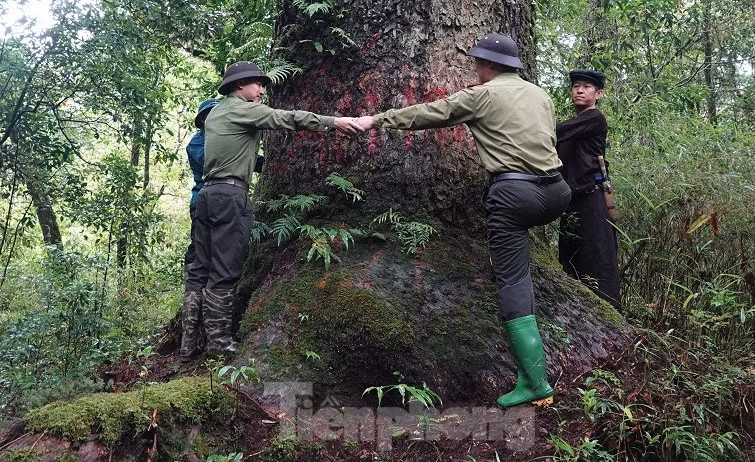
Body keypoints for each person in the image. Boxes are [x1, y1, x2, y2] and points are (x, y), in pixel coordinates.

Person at [356, 33, 571, 408]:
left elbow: (428, 113)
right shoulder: (540, 95)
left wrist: (374, 119)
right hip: (557, 192)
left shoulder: (480, 96)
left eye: (477, 62)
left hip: (514, 195)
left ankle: (536, 382)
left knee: (514, 281)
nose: (475, 67)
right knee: (520, 263)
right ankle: (533, 373)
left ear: (487, 65)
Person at [189, 61, 365, 357]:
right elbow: (287, 118)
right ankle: (218, 345)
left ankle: (188, 342)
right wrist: (335, 122)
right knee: (224, 271)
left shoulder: (216, 113)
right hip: (230, 197)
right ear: (239, 86)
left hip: (206, 195)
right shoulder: (243, 109)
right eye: (257, 84)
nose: (261, 90)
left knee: (199, 270)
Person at [556, 69, 621, 310]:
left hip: (591, 198)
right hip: (571, 199)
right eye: (575, 86)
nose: (579, 90)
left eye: (586, 87)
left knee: (597, 258)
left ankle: (608, 312)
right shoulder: (576, 123)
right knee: (571, 257)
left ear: (598, 94)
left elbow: (556, 132)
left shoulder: (594, 118)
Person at [179, 98, 218, 361]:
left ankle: (213, 335)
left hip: (223, 202)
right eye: (210, 116)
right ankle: (188, 341)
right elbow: (211, 161)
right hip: (201, 202)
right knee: (199, 262)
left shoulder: (225, 138)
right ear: (203, 120)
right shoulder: (197, 141)